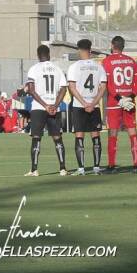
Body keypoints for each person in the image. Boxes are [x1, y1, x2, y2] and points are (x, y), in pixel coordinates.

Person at [24, 44, 68, 177]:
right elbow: (63, 89)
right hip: (54, 107)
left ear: (38, 56)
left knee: (36, 137)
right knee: (57, 138)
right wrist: (54, 105)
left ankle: (34, 169)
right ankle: (63, 168)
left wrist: (45, 105)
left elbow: (31, 90)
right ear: (49, 54)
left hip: (39, 107)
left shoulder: (34, 69)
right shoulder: (57, 69)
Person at [101, 35, 137, 173]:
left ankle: (112, 165)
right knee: (132, 131)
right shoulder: (131, 61)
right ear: (123, 46)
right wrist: (129, 97)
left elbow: (107, 84)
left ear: (112, 45)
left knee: (113, 133)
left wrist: (119, 99)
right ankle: (136, 165)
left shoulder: (106, 61)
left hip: (114, 102)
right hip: (129, 102)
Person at [66, 39, 107, 176]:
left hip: (79, 105)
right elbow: (102, 88)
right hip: (94, 106)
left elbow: (72, 88)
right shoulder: (99, 66)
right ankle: (96, 168)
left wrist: (84, 103)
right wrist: (93, 102)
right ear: (90, 50)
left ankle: (81, 169)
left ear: (79, 50)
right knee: (95, 135)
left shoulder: (74, 67)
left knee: (79, 135)